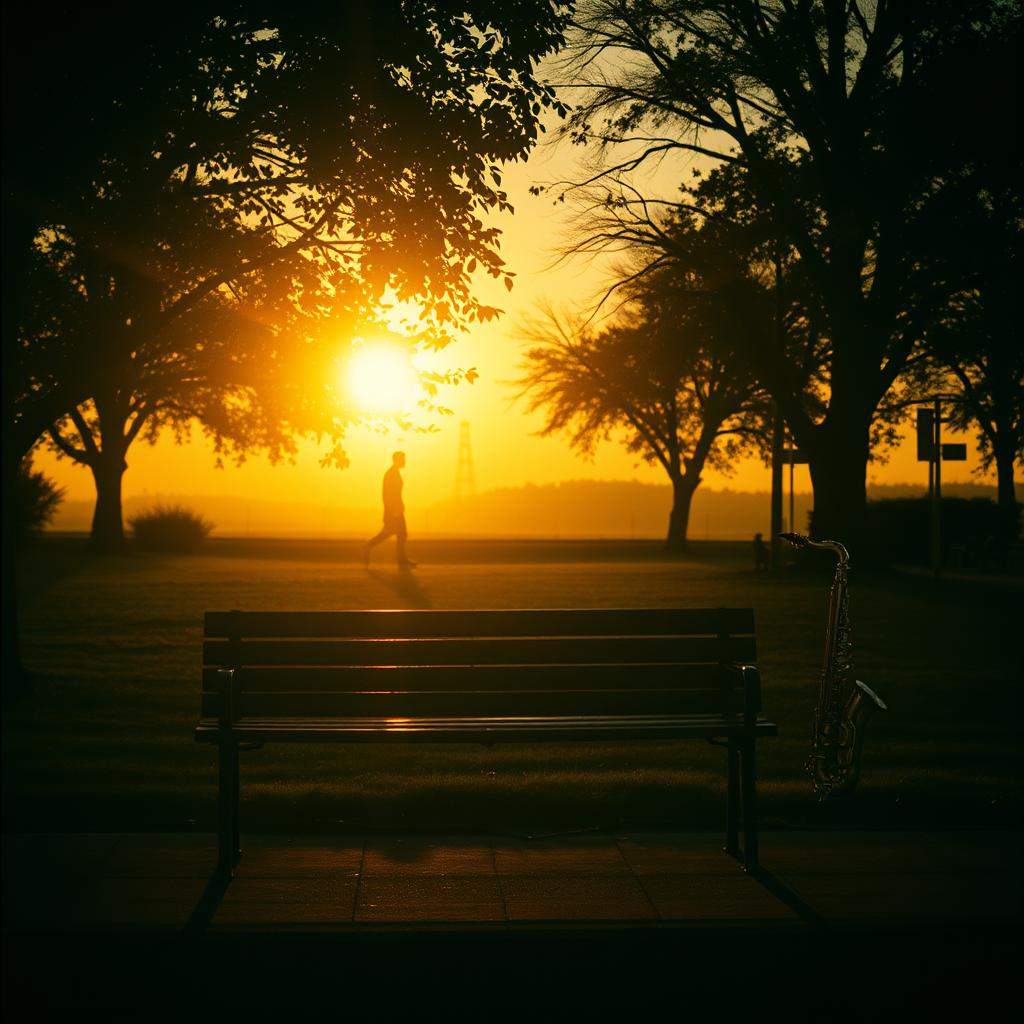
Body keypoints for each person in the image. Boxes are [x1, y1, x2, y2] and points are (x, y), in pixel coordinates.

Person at [364, 451, 416, 567]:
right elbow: (387, 495)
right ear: (397, 460)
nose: (405, 461)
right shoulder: (391, 474)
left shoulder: (394, 473)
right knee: (399, 534)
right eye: (403, 459)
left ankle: (369, 546)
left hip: (396, 509)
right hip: (394, 511)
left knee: (392, 533)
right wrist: (393, 511)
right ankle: (401, 561)